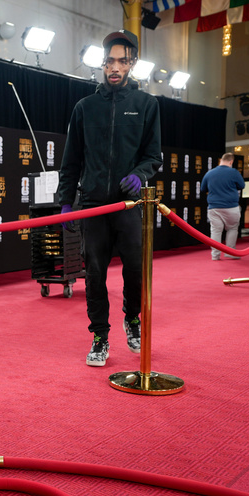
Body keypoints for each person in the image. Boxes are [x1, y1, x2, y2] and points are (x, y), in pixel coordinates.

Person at [57, 30, 162, 367]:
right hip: (93, 204)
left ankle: (132, 319)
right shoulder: (84, 107)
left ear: (131, 63)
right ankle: (100, 336)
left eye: (121, 60)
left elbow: (153, 156)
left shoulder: (147, 105)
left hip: (129, 205)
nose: (114, 67)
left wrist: (140, 175)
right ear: (102, 63)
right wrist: (66, 202)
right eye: (109, 61)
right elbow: (71, 159)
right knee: (95, 273)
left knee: (134, 269)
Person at [201, 152, 246, 261]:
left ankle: (215, 255)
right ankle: (230, 253)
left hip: (214, 207)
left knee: (216, 231)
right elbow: (242, 185)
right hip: (231, 206)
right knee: (232, 229)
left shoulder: (209, 173)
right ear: (231, 162)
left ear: (221, 160)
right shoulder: (234, 172)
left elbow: (203, 189)